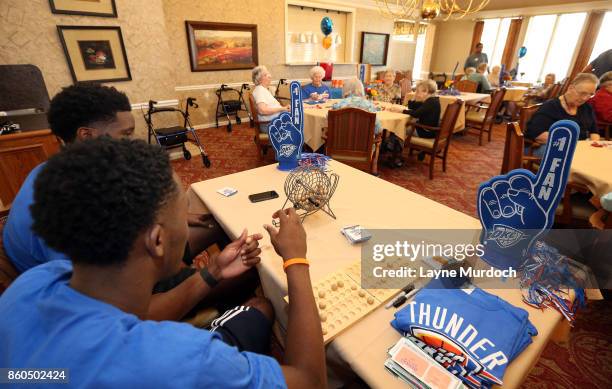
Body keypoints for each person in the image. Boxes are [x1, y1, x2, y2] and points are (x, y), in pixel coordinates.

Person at [0, 137, 327, 388]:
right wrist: (296, 257)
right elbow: (310, 380)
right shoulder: (183, 357)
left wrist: (211, 272)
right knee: (259, 306)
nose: (186, 224)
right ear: (157, 240)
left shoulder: (34, 282)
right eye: (179, 215)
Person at [1, 83, 248, 322]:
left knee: (217, 225)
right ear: (86, 135)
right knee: (245, 272)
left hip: (112, 268)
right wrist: (210, 274)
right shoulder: (65, 213)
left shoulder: (66, 172)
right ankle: (228, 322)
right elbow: (116, 315)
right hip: (99, 304)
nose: (133, 141)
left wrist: (177, 217)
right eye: (126, 134)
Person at [526, 73, 599, 157]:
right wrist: (572, 144)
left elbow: (594, 132)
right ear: (570, 88)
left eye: (591, 94)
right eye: (583, 93)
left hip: (577, 148)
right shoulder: (551, 106)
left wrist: (593, 145)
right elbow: (537, 134)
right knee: (577, 158)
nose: (585, 98)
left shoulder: (587, 107)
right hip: (547, 147)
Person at [390, 79, 441, 163]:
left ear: (426, 91)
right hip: (429, 130)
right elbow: (414, 107)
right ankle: (392, 146)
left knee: (397, 128)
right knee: (402, 126)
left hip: (425, 131)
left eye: (418, 91)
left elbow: (416, 113)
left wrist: (400, 110)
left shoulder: (431, 102)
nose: (416, 93)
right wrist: (415, 97)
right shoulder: (433, 100)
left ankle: (395, 153)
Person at [251, 65, 289, 133]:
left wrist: (284, 109)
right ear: (259, 79)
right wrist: (282, 109)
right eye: (266, 75)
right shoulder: (259, 91)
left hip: (276, 121)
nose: (270, 76)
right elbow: (263, 110)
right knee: (301, 121)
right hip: (270, 124)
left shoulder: (263, 89)